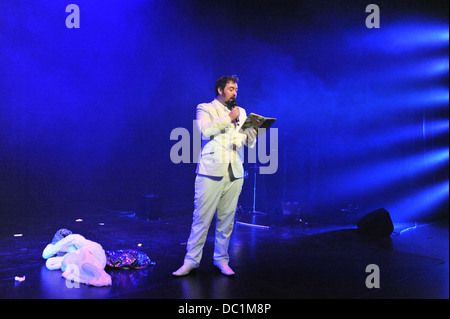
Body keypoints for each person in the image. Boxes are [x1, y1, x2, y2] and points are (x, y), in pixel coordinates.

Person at [173, 75, 257, 277]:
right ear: (220, 90)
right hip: (210, 170)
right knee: (201, 219)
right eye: (230, 89)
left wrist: (253, 132)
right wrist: (229, 118)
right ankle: (191, 261)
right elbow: (205, 131)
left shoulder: (242, 112)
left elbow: (249, 143)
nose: (234, 92)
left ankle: (221, 260)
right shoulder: (205, 108)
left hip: (235, 170)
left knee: (227, 220)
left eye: (236, 89)